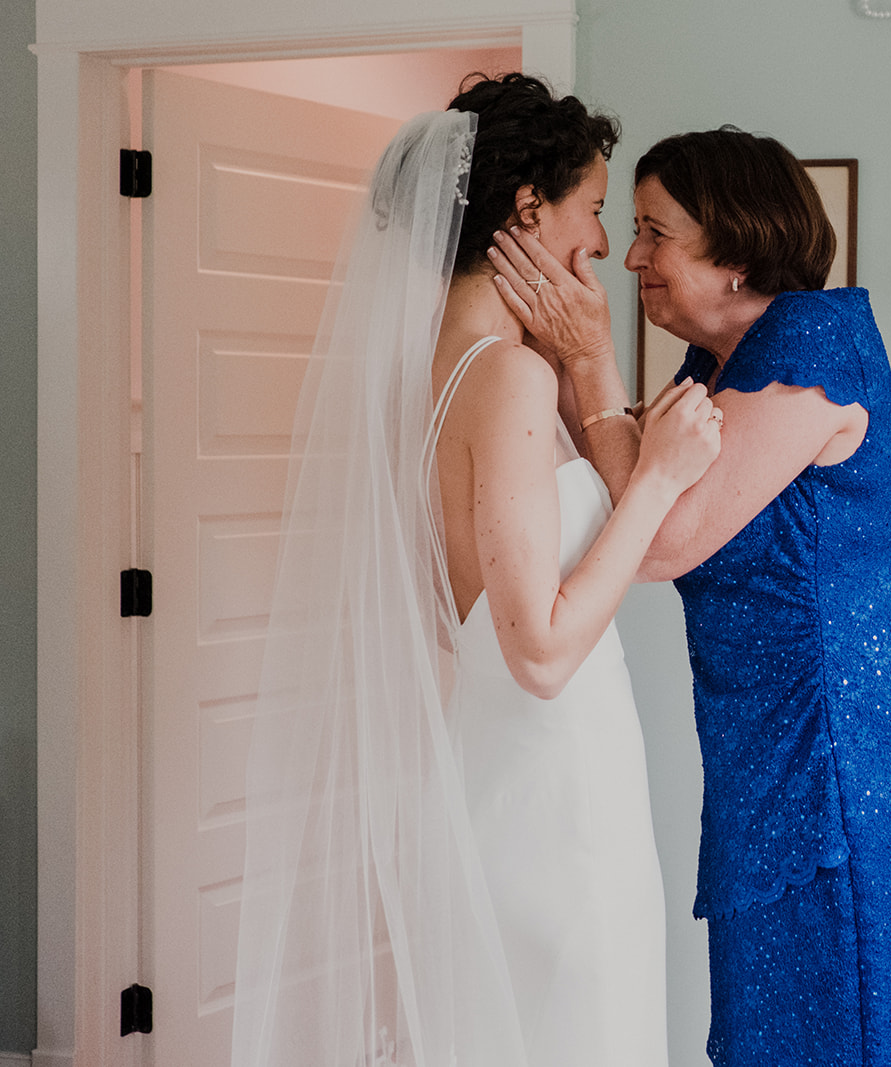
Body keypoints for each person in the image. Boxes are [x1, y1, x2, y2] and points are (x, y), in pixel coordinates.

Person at [230, 75, 719, 1067]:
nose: (596, 244)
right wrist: (659, 482)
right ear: (525, 208)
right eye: (589, 209)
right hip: (553, 782)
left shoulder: (427, 370)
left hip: (492, 766)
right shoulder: (505, 376)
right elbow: (537, 649)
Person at [491, 126, 891, 1067]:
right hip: (764, 735)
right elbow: (642, 490)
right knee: (778, 1020)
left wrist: (588, 359)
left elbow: (665, 535)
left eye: (654, 232)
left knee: (851, 1015)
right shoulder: (710, 370)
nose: (631, 257)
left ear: (738, 247)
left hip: (847, 738)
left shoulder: (813, 336)